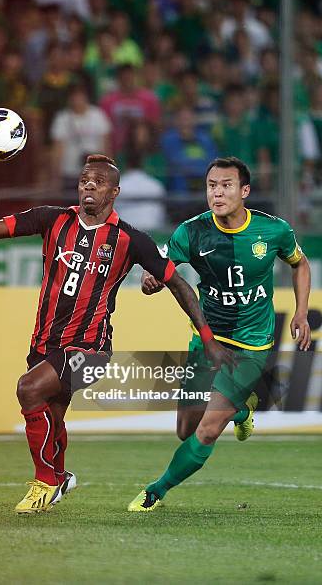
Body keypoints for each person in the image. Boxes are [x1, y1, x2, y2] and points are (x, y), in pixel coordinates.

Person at [0, 154, 234, 515]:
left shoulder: (129, 239)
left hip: (92, 349)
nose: (88, 185)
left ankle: (46, 482)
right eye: (84, 179)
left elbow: (178, 284)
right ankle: (60, 477)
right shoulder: (52, 219)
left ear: (113, 192)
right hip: (44, 343)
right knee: (51, 414)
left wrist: (208, 338)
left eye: (98, 182)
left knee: (28, 388)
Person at [128, 156, 311, 512]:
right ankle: (242, 413)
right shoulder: (192, 231)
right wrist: (152, 279)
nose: (218, 192)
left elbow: (299, 263)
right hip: (208, 340)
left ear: (244, 191)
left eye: (226, 185)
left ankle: (156, 491)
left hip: (252, 345)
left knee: (208, 430)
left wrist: (301, 311)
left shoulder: (273, 230)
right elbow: (163, 265)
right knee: (186, 428)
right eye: (212, 186)